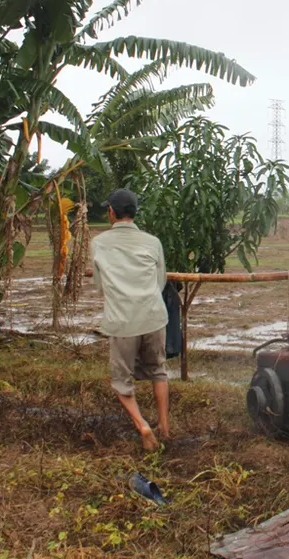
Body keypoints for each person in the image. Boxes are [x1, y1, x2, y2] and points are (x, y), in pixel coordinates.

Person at [90, 188, 171, 451]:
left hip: (122, 320)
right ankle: (165, 427)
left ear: (111, 213)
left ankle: (143, 425)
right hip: (153, 316)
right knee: (159, 371)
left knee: (121, 380)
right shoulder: (153, 242)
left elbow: (100, 286)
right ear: (135, 214)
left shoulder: (99, 243)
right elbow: (160, 281)